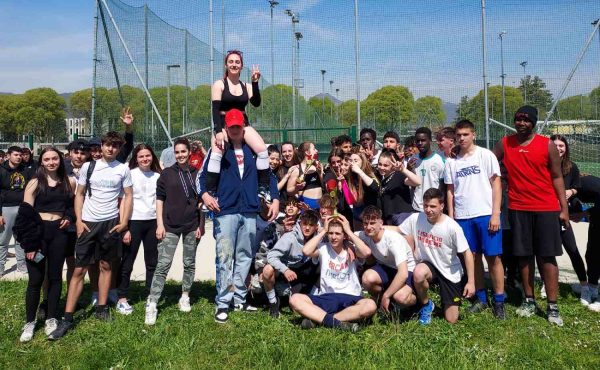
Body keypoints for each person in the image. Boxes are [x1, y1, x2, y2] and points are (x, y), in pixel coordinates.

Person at [49, 131, 133, 340]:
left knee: (106, 266)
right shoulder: (89, 166)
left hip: (110, 224)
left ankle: (101, 309)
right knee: (79, 270)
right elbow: (79, 194)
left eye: (115, 146)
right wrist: (78, 220)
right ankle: (67, 318)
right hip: (88, 223)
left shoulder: (123, 169)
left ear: (119, 148)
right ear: (102, 146)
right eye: (107, 145)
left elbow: (128, 196)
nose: (111, 149)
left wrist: (123, 221)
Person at [199, 108, 279, 324]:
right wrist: (205, 194)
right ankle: (223, 302)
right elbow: (203, 176)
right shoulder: (218, 149)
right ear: (226, 128)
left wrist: (275, 198)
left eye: (238, 126)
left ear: (244, 127)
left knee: (244, 256)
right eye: (231, 126)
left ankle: (240, 298)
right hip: (226, 211)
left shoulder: (253, 150)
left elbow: (269, 176)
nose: (235, 130)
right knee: (225, 257)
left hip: (249, 210)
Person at [492, 105, 569, 326]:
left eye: (526, 120)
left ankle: (552, 306)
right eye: (518, 119)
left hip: (545, 208)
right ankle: (528, 300)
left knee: (546, 256)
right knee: (524, 256)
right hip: (518, 207)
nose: (521, 123)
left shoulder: (547, 145)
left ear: (533, 122)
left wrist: (563, 208)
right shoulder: (505, 144)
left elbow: (557, 177)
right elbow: (486, 162)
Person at [445, 120, 505, 319]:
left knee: (494, 258)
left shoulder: (485, 155)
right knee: (473, 258)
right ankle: (481, 298)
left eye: (465, 134)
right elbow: (450, 191)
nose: (461, 138)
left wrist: (495, 213)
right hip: (463, 217)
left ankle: (499, 301)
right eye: (458, 135)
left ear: (474, 135)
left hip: (486, 214)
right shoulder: (452, 162)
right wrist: (452, 218)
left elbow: (496, 185)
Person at [14, 147, 76, 342]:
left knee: (56, 277)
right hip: (38, 234)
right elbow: (25, 215)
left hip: (59, 233)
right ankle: (30, 322)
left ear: (60, 160)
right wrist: (30, 246)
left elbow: (71, 206)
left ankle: (51, 317)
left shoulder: (69, 182)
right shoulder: (34, 183)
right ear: (42, 162)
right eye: (47, 159)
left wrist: (69, 216)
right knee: (35, 280)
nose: (51, 162)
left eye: (54, 158)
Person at [145, 138, 203, 325]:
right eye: (177, 152)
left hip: (191, 226)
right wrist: (159, 224)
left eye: (183, 152)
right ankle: (153, 301)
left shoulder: (197, 174)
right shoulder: (167, 174)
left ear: (189, 152)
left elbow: (201, 203)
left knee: (189, 263)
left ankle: (185, 295)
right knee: (163, 264)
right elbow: (160, 200)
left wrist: (201, 225)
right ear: (173, 153)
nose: (180, 155)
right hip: (170, 225)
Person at [399, 188, 475, 325]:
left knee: (451, 320)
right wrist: (374, 230)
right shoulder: (417, 218)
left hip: (449, 271)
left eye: (433, 206)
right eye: (425, 206)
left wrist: (471, 282)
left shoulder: (452, 227)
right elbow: (398, 230)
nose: (428, 210)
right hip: (428, 266)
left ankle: (450, 299)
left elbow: (467, 253)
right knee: (418, 272)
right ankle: (426, 304)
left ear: (442, 206)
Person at [289, 215, 377, 332]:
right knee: (295, 299)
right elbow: (306, 250)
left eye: (337, 234)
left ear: (344, 235)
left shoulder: (352, 249)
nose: (333, 237)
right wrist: (324, 230)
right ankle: (340, 323)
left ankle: (319, 320)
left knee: (370, 305)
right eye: (331, 233)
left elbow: (366, 252)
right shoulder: (323, 249)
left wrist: (349, 231)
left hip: (351, 297)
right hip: (327, 297)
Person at [206, 49, 269, 196]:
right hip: (224, 124)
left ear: (241, 66)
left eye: (237, 62)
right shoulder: (219, 84)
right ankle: (210, 191)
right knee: (216, 153)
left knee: (262, 150)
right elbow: (215, 110)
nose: (234, 64)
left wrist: (255, 82)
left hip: (242, 124)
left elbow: (256, 102)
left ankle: (263, 188)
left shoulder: (246, 86)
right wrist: (219, 131)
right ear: (226, 65)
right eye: (231, 62)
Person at [115, 144, 161, 315]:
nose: (145, 159)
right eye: (141, 156)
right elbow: (122, 201)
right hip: (133, 222)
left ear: (152, 157)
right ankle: (122, 297)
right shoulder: (130, 174)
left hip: (152, 222)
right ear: (136, 158)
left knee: (152, 262)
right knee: (127, 261)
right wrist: (124, 227)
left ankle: (150, 295)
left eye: (148, 155)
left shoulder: (158, 176)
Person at [550, 134, 590, 304]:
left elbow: (577, 187)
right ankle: (549, 284)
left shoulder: (571, 167)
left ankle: (585, 286)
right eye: (555, 145)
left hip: (563, 214)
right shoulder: (544, 165)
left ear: (566, 148)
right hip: (547, 214)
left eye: (561, 145)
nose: (559, 148)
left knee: (572, 249)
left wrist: (570, 192)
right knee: (548, 252)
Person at [263, 210, 320, 318]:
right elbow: (271, 256)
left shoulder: (318, 238)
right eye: (305, 224)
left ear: (316, 227)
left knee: (297, 310)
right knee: (267, 270)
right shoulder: (290, 237)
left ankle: (312, 295)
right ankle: (273, 303)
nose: (307, 228)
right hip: (286, 271)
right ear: (299, 223)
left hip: (301, 274)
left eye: (311, 225)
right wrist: (285, 270)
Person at [359, 206, 417, 312]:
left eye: (372, 223)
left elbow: (403, 273)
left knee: (400, 297)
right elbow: (349, 234)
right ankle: (380, 301)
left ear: (381, 223)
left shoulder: (392, 239)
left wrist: (387, 295)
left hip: (407, 270)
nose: (368, 227)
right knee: (367, 279)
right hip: (387, 268)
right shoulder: (365, 234)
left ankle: (418, 304)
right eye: (365, 223)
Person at [0, 146, 34, 275]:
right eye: (16, 154)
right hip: (5, 209)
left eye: (20, 155)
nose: (19, 157)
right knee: (3, 240)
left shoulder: (25, 170)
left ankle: (21, 264)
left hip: (22, 208)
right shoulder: (1, 170)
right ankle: (1, 267)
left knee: (20, 238)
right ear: (8, 156)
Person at [575, 174, 600, 311]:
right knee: (592, 253)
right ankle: (592, 287)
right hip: (597, 218)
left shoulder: (584, 183)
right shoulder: (581, 185)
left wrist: (583, 214)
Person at [377, 149, 421, 226]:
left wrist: (403, 170)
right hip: (390, 220)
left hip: (402, 218)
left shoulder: (398, 175)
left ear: (392, 165)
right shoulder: (383, 180)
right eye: (380, 164)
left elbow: (418, 182)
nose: (382, 167)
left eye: (386, 165)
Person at [410, 127, 445, 212]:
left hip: (433, 208)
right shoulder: (413, 159)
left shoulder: (439, 160)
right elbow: (412, 185)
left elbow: (443, 186)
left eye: (423, 140)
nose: (420, 143)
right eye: (417, 141)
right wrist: (410, 170)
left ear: (430, 140)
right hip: (417, 207)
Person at [347, 152, 380, 230]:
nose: (352, 163)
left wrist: (359, 171)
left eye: (356, 160)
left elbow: (375, 187)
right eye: (351, 160)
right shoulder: (350, 176)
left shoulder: (368, 174)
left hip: (370, 217)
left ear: (363, 162)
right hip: (357, 216)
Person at [287, 142, 323, 210]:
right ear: (307, 152)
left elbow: (322, 186)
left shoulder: (316, 167)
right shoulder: (297, 169)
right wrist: (297, 188)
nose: (317, 151)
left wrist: (320, 173)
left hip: (320, 205)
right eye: (314, 149)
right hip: (305, 206)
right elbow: (289, 190)